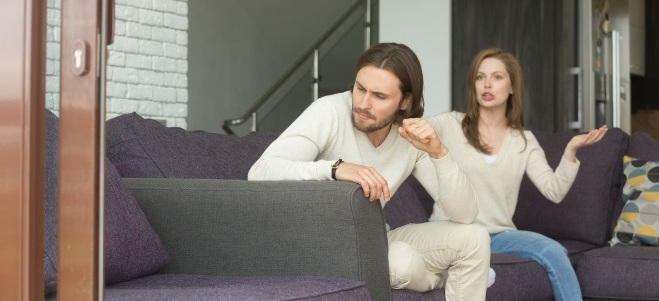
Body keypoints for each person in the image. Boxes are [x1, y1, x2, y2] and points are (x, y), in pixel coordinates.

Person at [248, 42, 491, 299]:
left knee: (474, 238)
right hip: (322, 248)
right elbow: (261, 172)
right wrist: (335, 168)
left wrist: (439, 154)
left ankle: (442, 277)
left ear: (405, 101)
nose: (363, 104)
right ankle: (439, 279)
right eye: (360, 88)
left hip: (375, 239)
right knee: (402, 261)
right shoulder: (329, 111)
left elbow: (465, 214)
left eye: (379, 96)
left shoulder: (410, 135)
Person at [399, 47, 607, 301]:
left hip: (499, 236)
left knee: (554, 251)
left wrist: (572, 150)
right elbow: (418, 128)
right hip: (452, 233)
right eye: (480, 77)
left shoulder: (523, 140)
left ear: (511, 87)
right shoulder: (451, 124)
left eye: (497, 77)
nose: (487, 84)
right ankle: (459, 267)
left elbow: (554, 190)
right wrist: (409, 120)